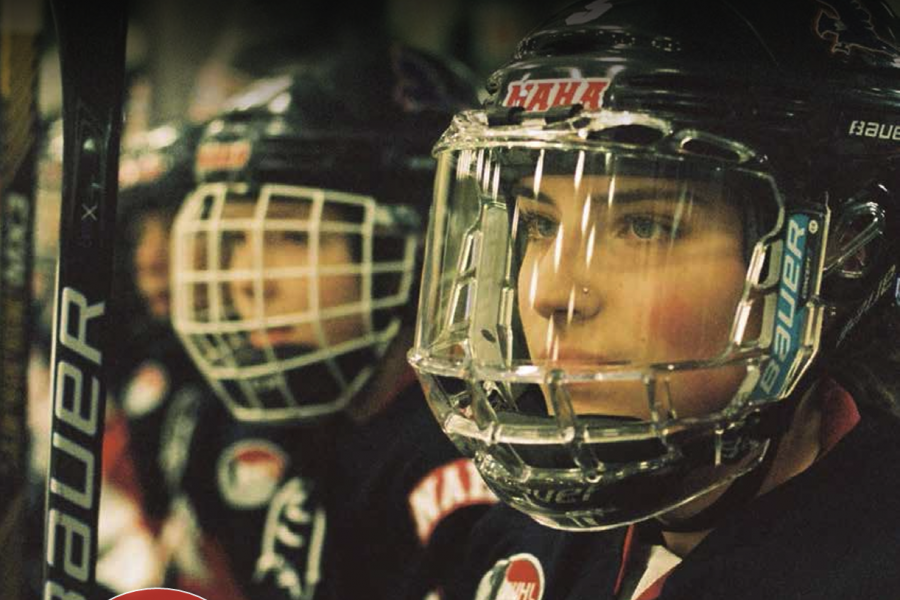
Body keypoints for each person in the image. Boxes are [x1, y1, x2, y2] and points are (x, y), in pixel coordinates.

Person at [408, 0, 900, 598]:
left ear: (844, 254)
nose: (550, 295)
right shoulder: (515, 537)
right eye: (539, 225)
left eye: (644, 228)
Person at [167, 40, 496, 600]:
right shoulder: (303, 414)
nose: (247, 279)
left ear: (424, 246)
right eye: (238, 240)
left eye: (293, 236)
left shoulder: (459, 467)